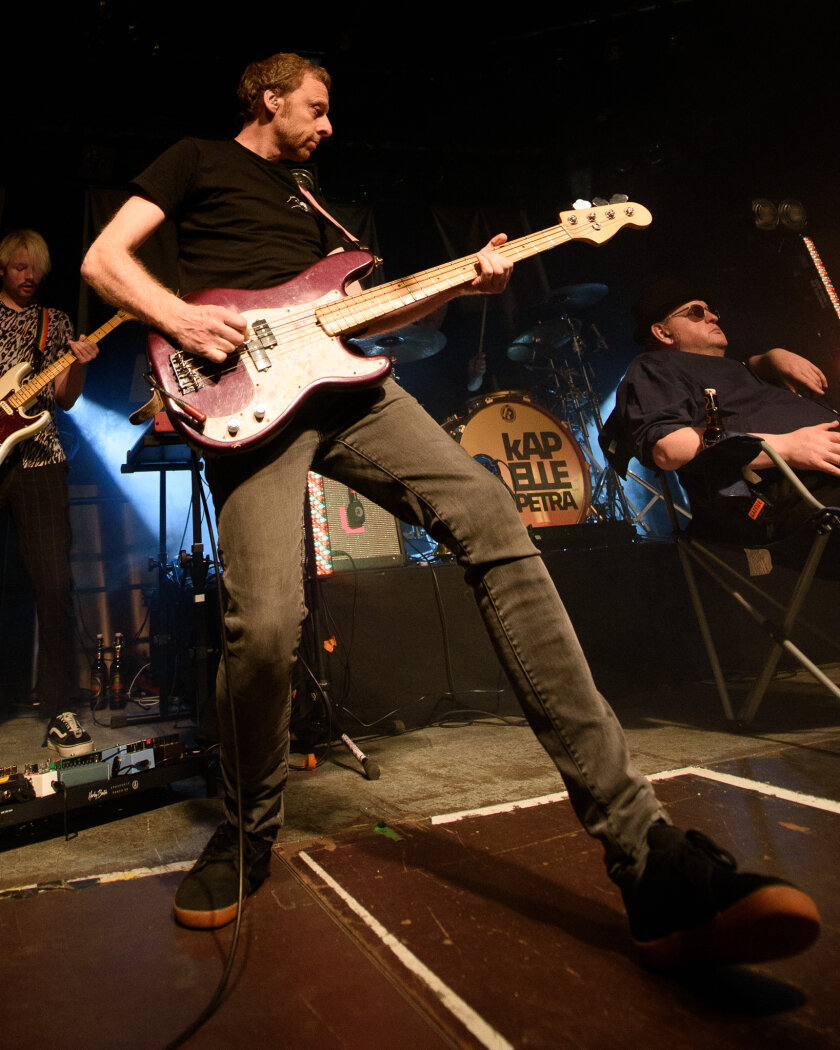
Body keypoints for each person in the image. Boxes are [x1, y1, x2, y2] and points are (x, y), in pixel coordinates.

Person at [81, 53, 820, 966]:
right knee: (266, 626)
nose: (328, 123)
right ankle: (244, 828)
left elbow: (352, 317)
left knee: (492, 516)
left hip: (352, 396)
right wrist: (183, 319)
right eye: (315, 107)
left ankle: (647, 851)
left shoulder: (316, 204)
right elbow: (104, 260)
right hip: (246, 410)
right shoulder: (194, 158)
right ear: (268, 99)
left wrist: (466, 282)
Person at [603, 278, 840, 546]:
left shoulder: (738, 369)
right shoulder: (653, 367)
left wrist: (767, 359)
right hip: (791, 493)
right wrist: (787, 447)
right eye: (696, 312)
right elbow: (668, 447)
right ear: (663, 333)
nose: (713, 317)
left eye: (711, 310)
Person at [0, 229, 99, 756]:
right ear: (3, 268)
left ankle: (59, 708)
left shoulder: (54, 323)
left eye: (35, 267)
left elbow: (65, 399)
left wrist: (78, 362)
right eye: (19, 267)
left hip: (40, 460)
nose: (28, 275)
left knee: (55, 585)